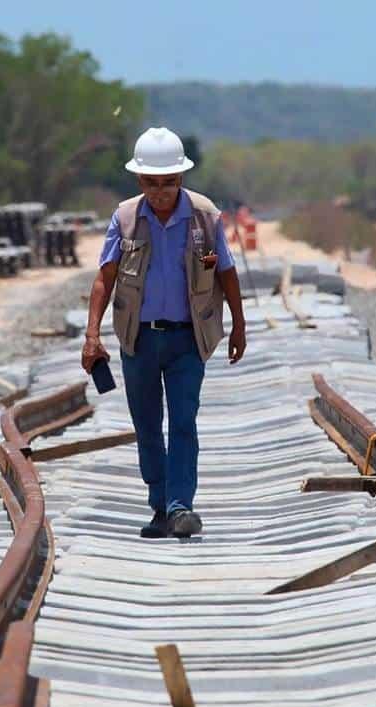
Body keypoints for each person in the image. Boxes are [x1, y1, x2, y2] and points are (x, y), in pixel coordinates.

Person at [80, 127, 247, 539]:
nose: (160, 192)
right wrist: (91, 335)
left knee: (184, 421)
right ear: (140, 181)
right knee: (148, 424)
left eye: (168, 183)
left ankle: (180, 506)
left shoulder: (205, 217)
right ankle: (160, 505)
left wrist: (239, 325)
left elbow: (226, 271)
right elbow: (105, 278)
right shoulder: (125, 218)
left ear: (181, 179)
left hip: (188, 339)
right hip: (139, 340)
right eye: (152, 183)